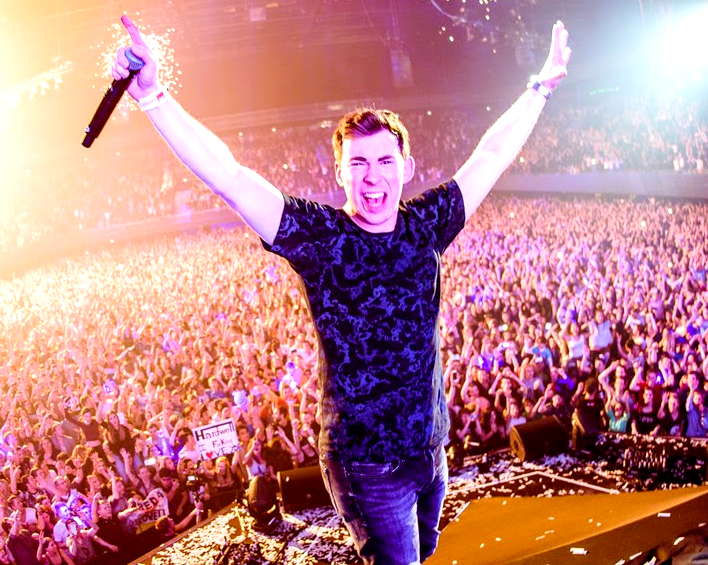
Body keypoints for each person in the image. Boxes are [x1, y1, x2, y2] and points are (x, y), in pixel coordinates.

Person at [112, 15, 570, 564]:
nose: (372, 177)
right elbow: (229, 177)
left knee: (424, 552)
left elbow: (491, 155)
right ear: (339, 173)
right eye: (358, 163)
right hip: (368, 464)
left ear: (406, 167)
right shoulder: (321, 238)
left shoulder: (427, 223)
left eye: (384, 161)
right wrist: (153, 96)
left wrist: (540, 88)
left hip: (431, 447)